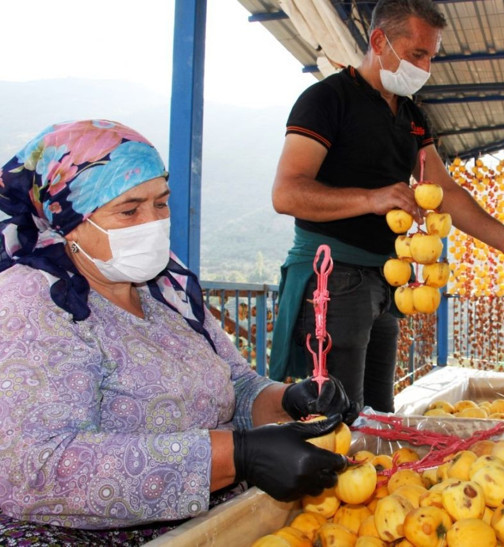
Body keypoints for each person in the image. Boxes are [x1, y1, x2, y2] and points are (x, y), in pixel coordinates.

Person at [0, 120, 359, 544]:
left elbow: (234, 384)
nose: (152, 222)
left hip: (207, 524)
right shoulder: (34, 303)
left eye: (161, 203)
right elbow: (37, 467)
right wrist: (236, 456)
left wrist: (283, 400)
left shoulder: (166, 291)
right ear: (69, 221)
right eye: (130, 210)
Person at [270, 0, 504, 412]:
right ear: (379, 40)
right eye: (417, 54)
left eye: (430, 57)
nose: (425, 67)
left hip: (386, 279)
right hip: (335, 276)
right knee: (338, 418)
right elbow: (287, 193)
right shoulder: (327, 99)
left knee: (378, 411)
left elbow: (445, 192)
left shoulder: (412, 115)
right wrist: (372, 198)